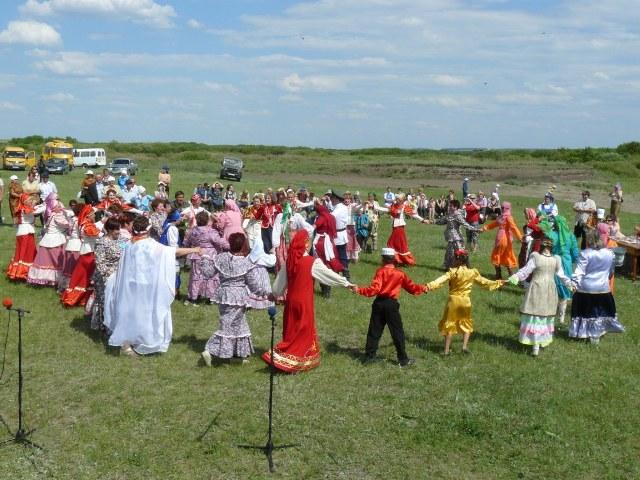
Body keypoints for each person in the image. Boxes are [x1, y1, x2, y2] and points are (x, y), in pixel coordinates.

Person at [104, 216, 201, 356]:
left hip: (129, 284)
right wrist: (194, 249)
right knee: (144, 313)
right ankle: (134, 341)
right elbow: (173, 252)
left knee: (129, 312)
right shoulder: (149, 245)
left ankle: (128, 343)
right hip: (144, 285)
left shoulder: (128, 244)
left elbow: (122, 252)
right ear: (148, 230)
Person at [262, 230, 353, 373]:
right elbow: (328, 275)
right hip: (304, 302)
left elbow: (279, 285)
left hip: (291, 302)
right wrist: (346, 283)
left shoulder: (290, 261)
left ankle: (287, 354)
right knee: (303, 331)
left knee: (291, 329)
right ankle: (294, 359)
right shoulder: (312, 262)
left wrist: (275, 294)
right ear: (305, 244)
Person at [201, 233, 272, 365]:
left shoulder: (221, 258)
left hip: (224, 295)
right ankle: (210, 350)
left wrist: (205, 257)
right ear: (244, 245)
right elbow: (255, 286)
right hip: (238, 297)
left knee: (239, 325)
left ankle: (237, 357)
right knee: (228, 325)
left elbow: (208, 273)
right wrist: (269, 293)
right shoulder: (246, 263)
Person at [353, 247, 427, 366]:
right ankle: (403, 359)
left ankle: (369, 357)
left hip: (379, 303)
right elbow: (412, 288)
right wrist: (423, 288)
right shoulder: (400, 274)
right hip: (392, 305)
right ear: (394, 259)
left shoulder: (380, 272)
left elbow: (374, 290)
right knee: (397, 332)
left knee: (374, 330)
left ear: (383, 259)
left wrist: (359, 290)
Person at [425, 249, 503, 355]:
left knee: (449, 324)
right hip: (466, 301)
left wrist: (429, 286)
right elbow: (485, 282)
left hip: (453, 301)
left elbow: (441, 280)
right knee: (466, 322)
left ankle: (446, 351)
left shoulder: (453, 272)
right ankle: (464, 347)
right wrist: (499, 282)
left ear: (457, 260)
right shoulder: (472, 272)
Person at [507, 237, 574, 356]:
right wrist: (516, 277)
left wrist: (516, 277)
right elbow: (561, 275)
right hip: (546, 289)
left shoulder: (541, 258)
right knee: (541, 315)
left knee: (537, 314)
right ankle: (537, 344)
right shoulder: (552, 258)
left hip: (538, 288)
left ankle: (535, 344)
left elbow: (526, 271)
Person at [568, 230, 624, 344]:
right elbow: (611, 272)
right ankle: (596, 334)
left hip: (585, 289)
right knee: (599, 313)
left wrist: (573, 283)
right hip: (603, 289)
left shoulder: (585, 253)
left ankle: (584, 333)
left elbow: (579, 271)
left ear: (589, 240)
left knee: (585, 313)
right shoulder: (610, 253)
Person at [182, 211, 229, 306]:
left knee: (196, 277)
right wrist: (230, 245)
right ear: (207, 221)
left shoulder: (193, 231)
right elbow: (219, 242)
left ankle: (194, 297)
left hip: (196, 255)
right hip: (209, 256)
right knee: (211, 276)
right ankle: (211, 297)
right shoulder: (211, 231)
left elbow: (186, 243)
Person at [90, 217, 127, 332]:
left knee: (117, 302)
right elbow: (100, 263)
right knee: (105, 301)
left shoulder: (121, 240)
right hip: (105, 277)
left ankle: (117, 326)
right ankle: (104, 326)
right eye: (116, 229)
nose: (119, 231)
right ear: (109, 230)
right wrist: (110, 277)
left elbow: (128, 250)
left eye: (119, 228)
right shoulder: (102, 243)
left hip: (120, 276)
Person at [61, 205, 101, 307]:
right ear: (89, 215)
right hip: (88, 253)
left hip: (86, 251)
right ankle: (80, 298)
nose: (95, 216)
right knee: (86, 277)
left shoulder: (83, 223)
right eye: (93, 214)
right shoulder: (87, 226)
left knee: (83, 276)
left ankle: (80, 298)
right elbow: (97, 235)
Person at [373, 192, 427, 266]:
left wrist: (422, 220)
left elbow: (413, 214)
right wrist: (376, 207)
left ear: (401, 200)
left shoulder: (404, 206)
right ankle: (398, 260)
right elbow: (386, 210)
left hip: (399, 227)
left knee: (392, 244)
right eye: (396, 198)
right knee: (398, 245)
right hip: (395, 227)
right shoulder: (394, 206)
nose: (396, 200)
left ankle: (397, 260)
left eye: (398, 199)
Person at [27, 193, 69, 287]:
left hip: (47, 241)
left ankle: (46, 280)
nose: (60, 207)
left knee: (45, 262)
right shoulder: (57, 216)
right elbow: (67, 224)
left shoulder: (51, 215)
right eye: (58, 206)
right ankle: (55, 280)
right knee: (56, 262)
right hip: (56, 241)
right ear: (54, 208)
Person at [7, 194, 45, 281]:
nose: (32, 202)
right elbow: (35, 211)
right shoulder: (25, 208)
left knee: (23, 252)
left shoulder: (23, 207)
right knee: (26, 252)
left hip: (24, 232)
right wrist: (46, 205)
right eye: (30, 201)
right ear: (25, 201)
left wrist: (39, 204)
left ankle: (18, 272)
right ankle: (22, 273)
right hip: (26, 232)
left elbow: (34, 208)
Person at [433, 199, 481, 269]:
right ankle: (449, 267)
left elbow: (465, 224)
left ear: (456, 207)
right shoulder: (449, 214)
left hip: (456, 238)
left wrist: (476, 229)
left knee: (461, 253)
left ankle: (466, 268)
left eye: (451, 206)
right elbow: (441, 221)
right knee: (449, 253)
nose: (449, 207)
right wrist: (431, 221)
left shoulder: (457, 215)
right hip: (450, 237)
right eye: (449, 205)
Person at [482, 201, 523, 279]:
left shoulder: (503, 217)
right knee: (507, 255)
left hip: (501, 238)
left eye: (502, 207)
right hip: (507, 239)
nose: (502, 208)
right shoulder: (506, 217)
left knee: (496, 255)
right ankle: (511, 276)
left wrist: (485, 228)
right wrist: (520, 237)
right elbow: (513, 227)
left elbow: (494, 224)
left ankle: (498, 275)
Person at [312, 202, 344, 298]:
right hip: (328, 241)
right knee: (328, 262)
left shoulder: (321, 217)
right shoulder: (330, 217)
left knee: (321, 264)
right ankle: (327, 287)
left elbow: (314, 227)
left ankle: (325, 287)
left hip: (321, 242)